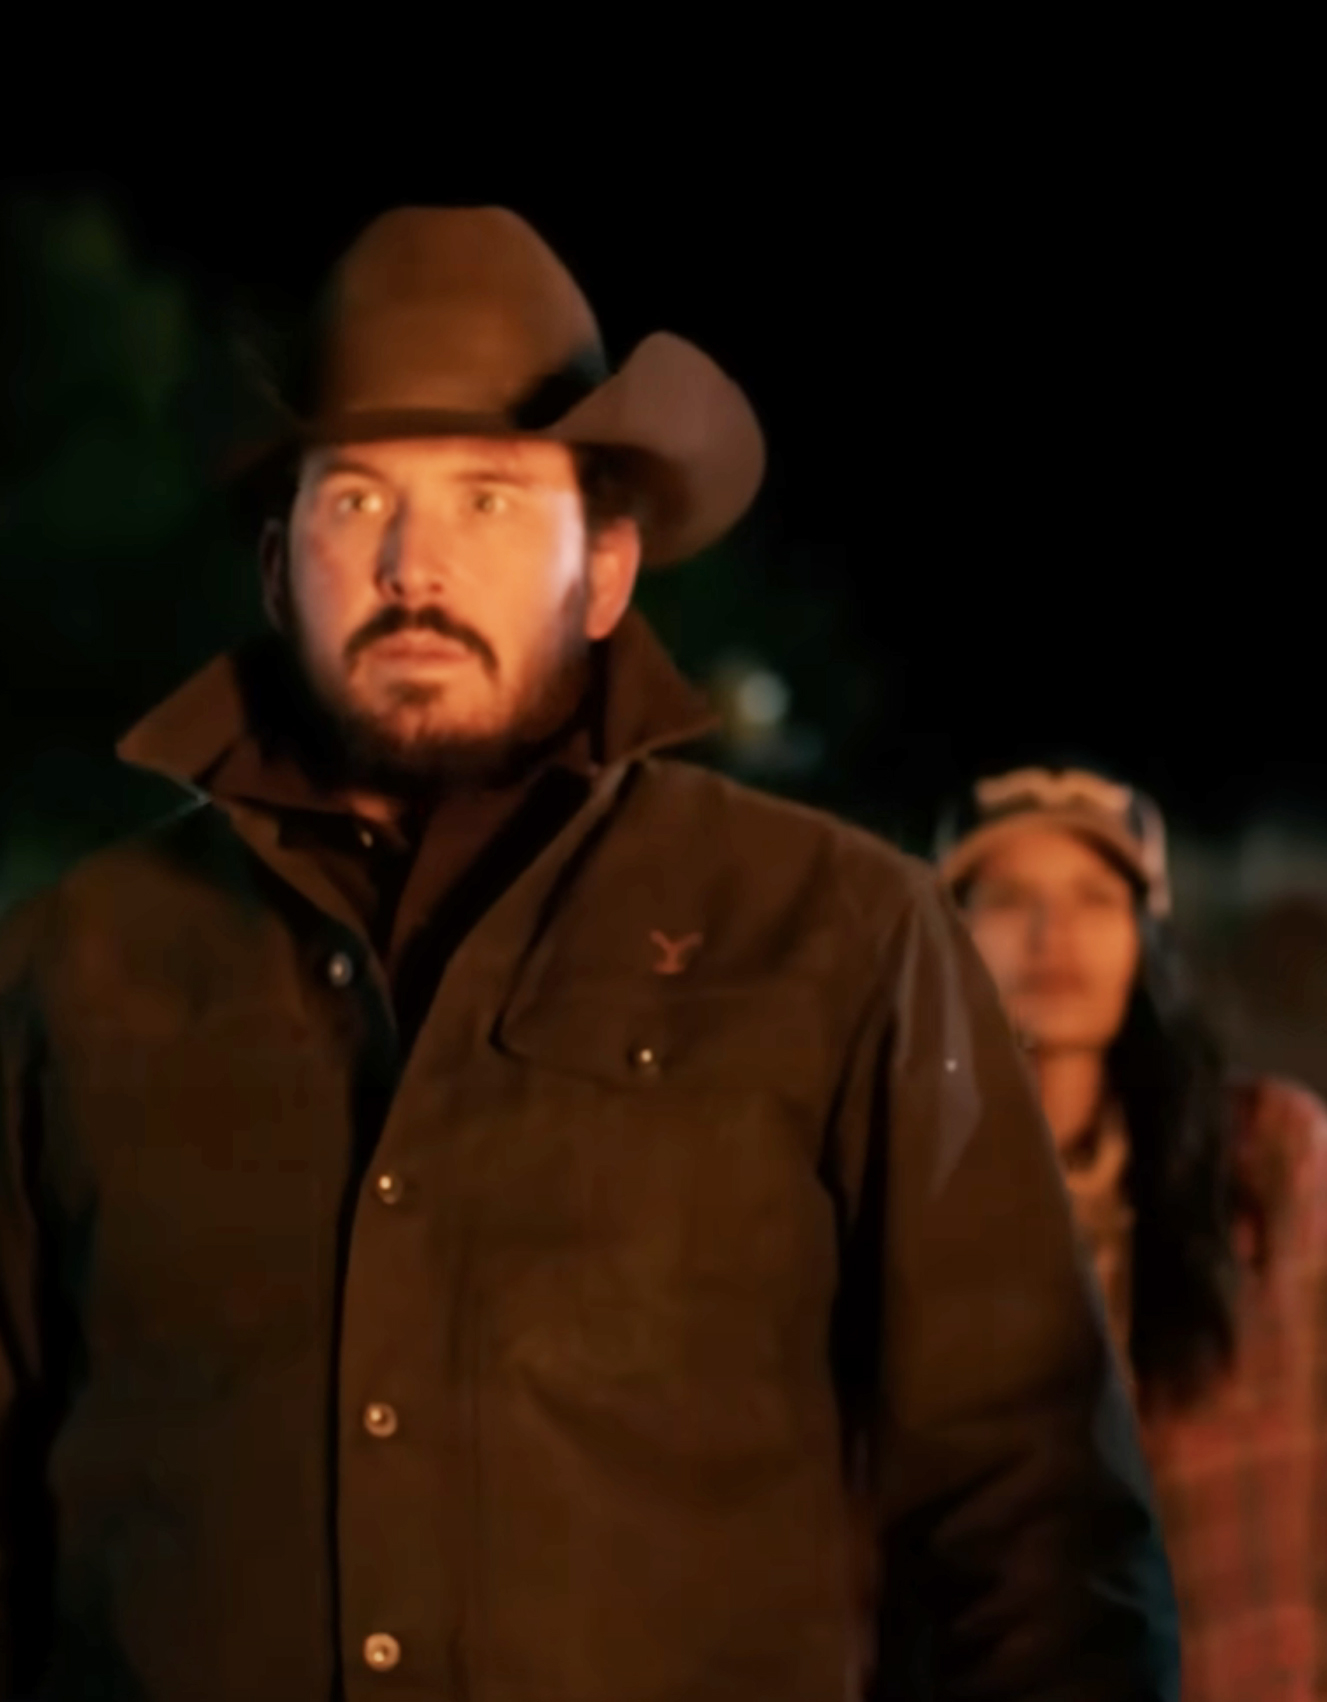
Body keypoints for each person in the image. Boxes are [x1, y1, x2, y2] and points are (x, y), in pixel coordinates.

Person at [0, 207, 1178, 1700]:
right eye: (355, 497)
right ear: (276, 559)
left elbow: (1032, 1528)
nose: (412, 564)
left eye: (489, 497)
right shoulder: (69, 967)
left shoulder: (840, 933)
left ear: (607, 567)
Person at [940, 764, 1327, 1700]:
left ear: (1146, 938)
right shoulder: (899, 1178)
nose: (1050, 937)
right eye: (1009, 898)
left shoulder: (1273, 1163)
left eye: (1094, 898)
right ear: (951, 934)